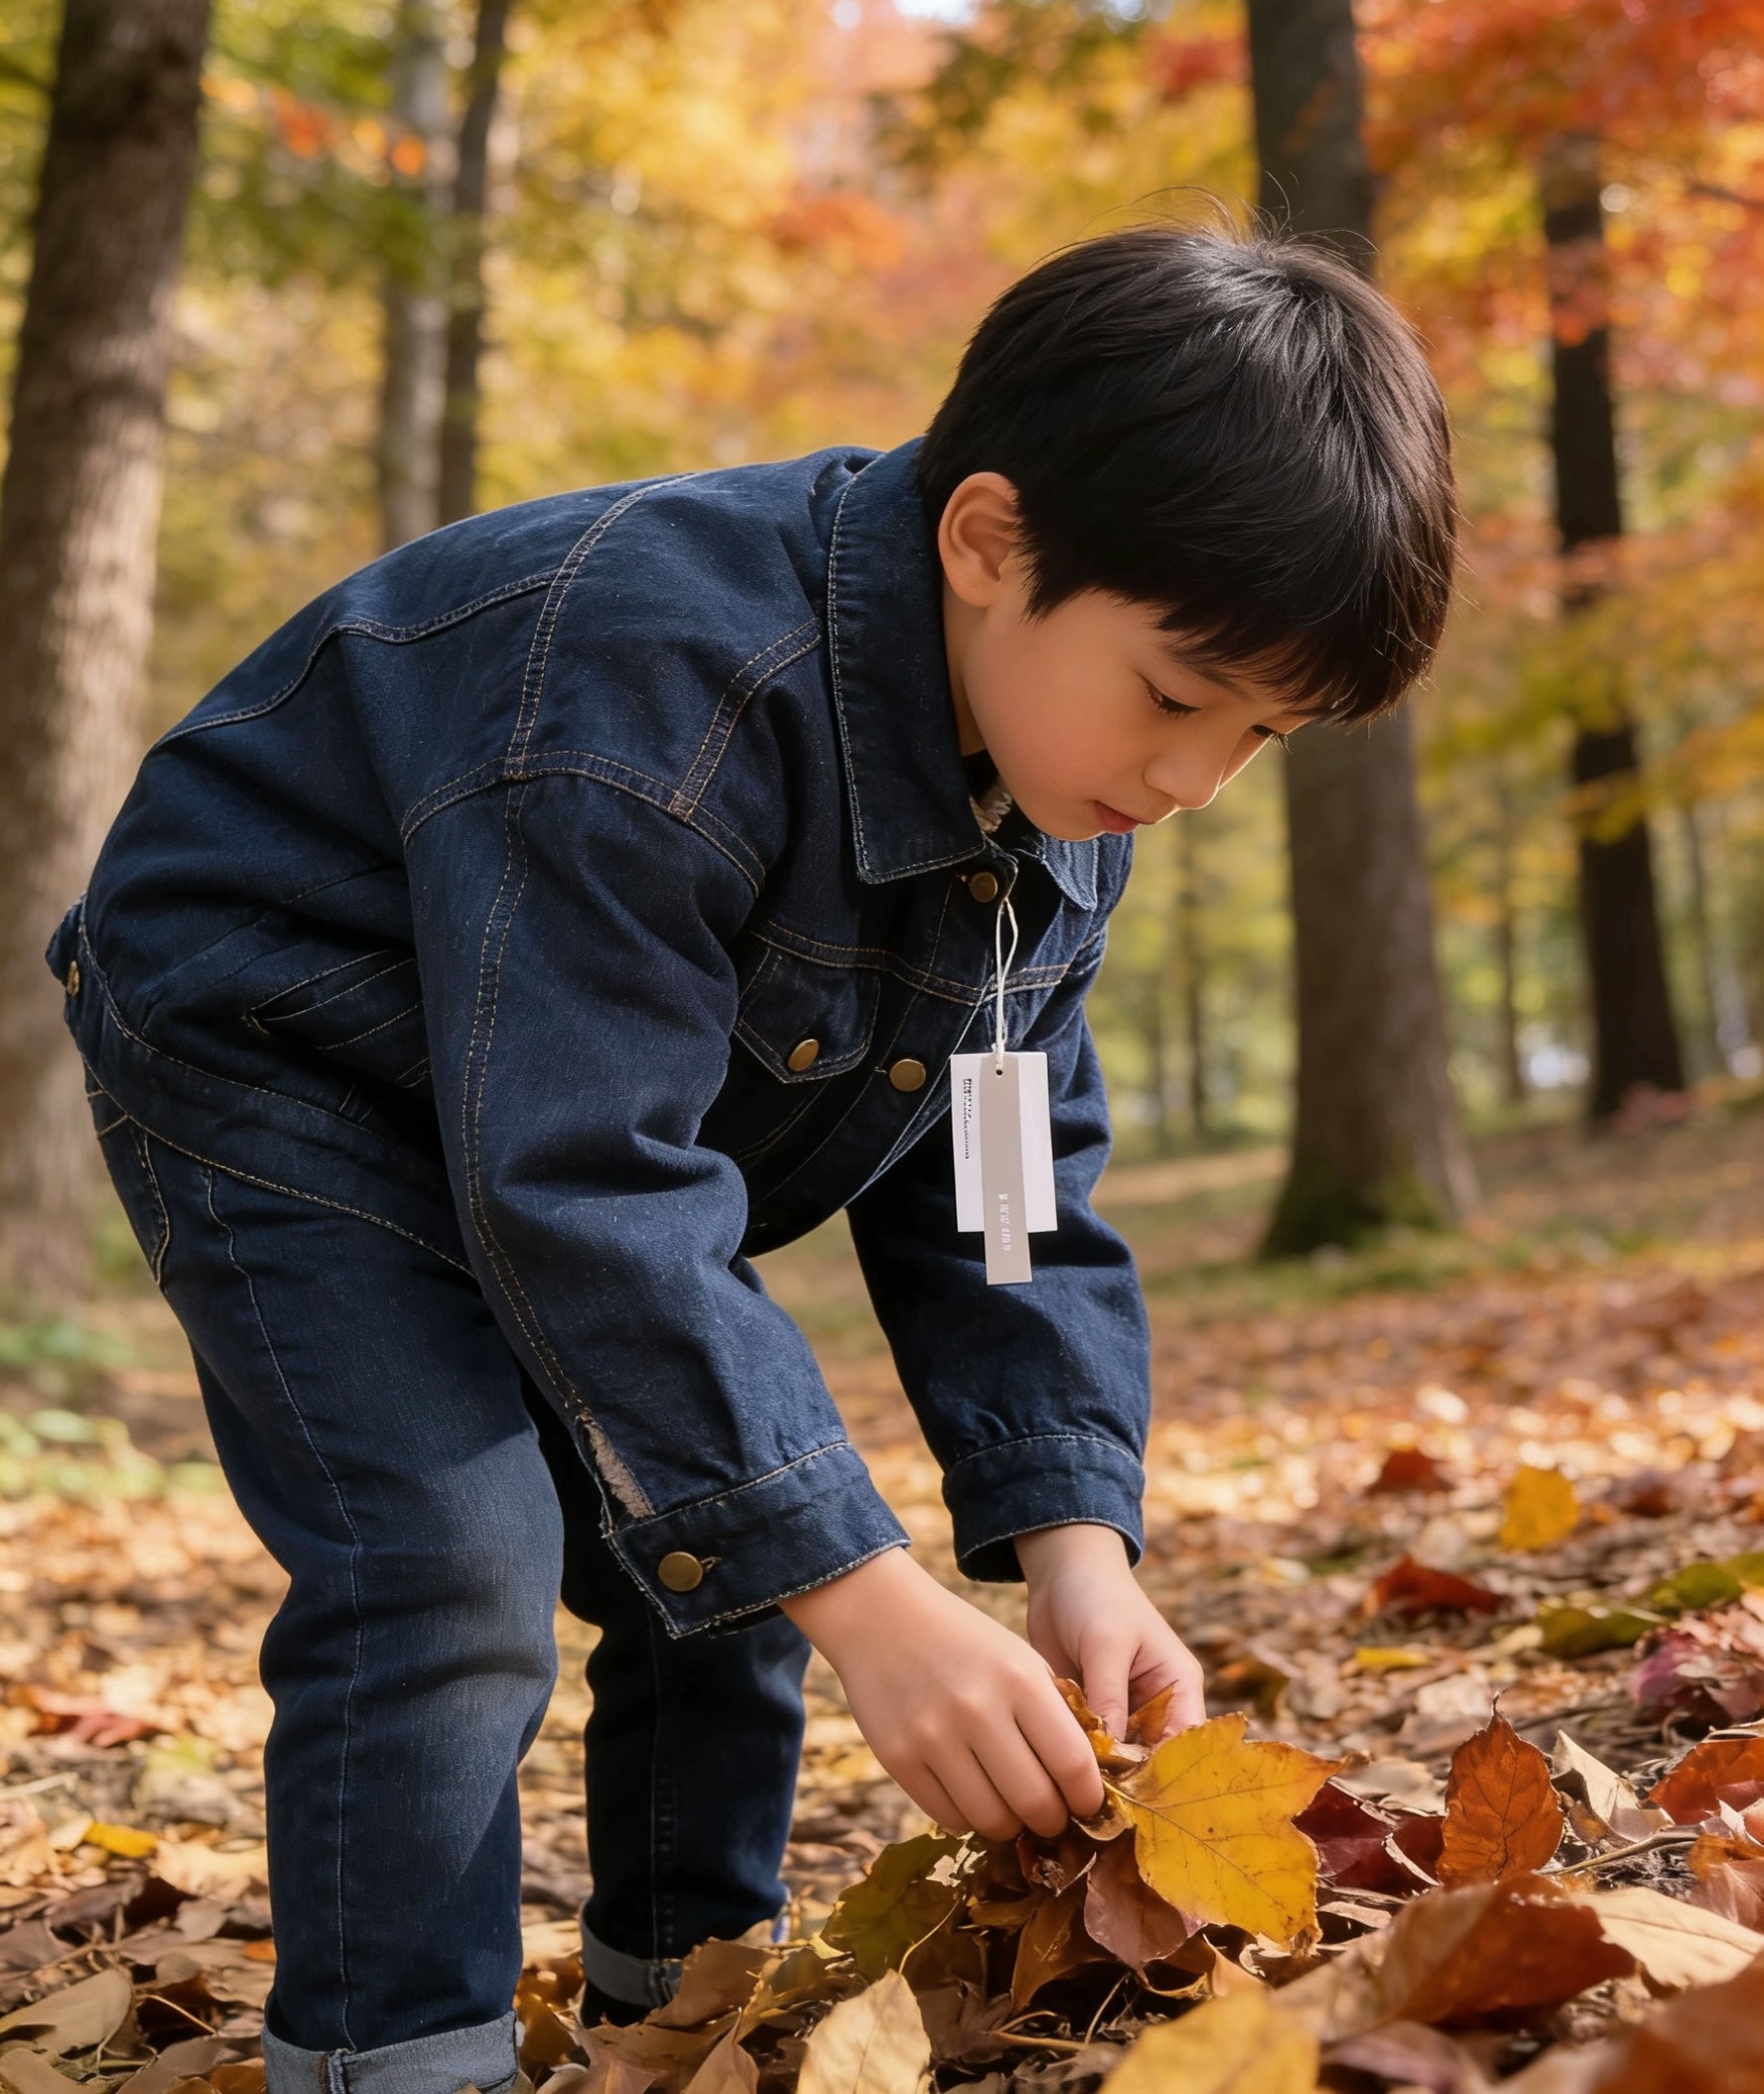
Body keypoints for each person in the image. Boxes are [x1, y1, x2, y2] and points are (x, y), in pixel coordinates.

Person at [55, 222, 1456, 2094]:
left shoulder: (1064, 798)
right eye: (1181, 695)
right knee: (454, 1557)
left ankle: (677, 2008)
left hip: (565, 1113)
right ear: (987, 544)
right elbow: (585, 1186)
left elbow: (1006, 1181)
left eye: (1262, 737)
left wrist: (1073, 1540)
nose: (1196, 778)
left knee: (718, 1542)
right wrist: (869, 1599)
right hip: (284, 1053)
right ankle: (397, 2058)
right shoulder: (652, 687)